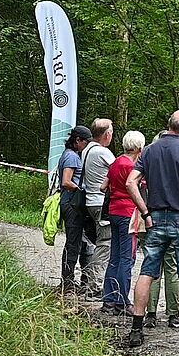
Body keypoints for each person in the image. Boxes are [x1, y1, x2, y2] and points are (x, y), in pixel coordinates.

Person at [126, 110, 179, 349]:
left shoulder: (149, 151)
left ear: (169, 124)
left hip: (156, 217)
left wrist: (145, 213)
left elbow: (130, 182)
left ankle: (136, 329)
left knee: (148, 270)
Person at [99, 130, 145, 315]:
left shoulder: (116, 162)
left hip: (113, 211)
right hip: (128, 213)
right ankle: (122, 301)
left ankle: (108, 299)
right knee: (127, 258)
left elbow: (103, 186)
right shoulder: (132, 166)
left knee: (115, 257)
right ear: (139, 147)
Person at [144, 130, 179, 329]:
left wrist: (144, 214)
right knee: (172, 268)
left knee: (152, 267)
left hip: (154, 215)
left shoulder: (149, 159)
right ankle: (174, 314)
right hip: (176, 215)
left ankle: (150, 313)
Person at [81, 118, 116, 298]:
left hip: (91, 201)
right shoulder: (103, 152)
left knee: (100, 242)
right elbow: (119, 171)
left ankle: (90, 282)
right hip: (102, 203)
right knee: (105, 244)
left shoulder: (87, 149)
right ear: (107, 134)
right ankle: (93, 285)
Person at [56, 125, 93, 292]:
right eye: (85, 142)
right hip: (72, 203)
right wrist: (81, 190)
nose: (86, 145)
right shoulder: (71, 156)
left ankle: (72, 279)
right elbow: (66, 181)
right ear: (77, 140)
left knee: (78, 242)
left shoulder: (70, 154)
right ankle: (67, 282)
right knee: (73, 243)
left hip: (70, 202)